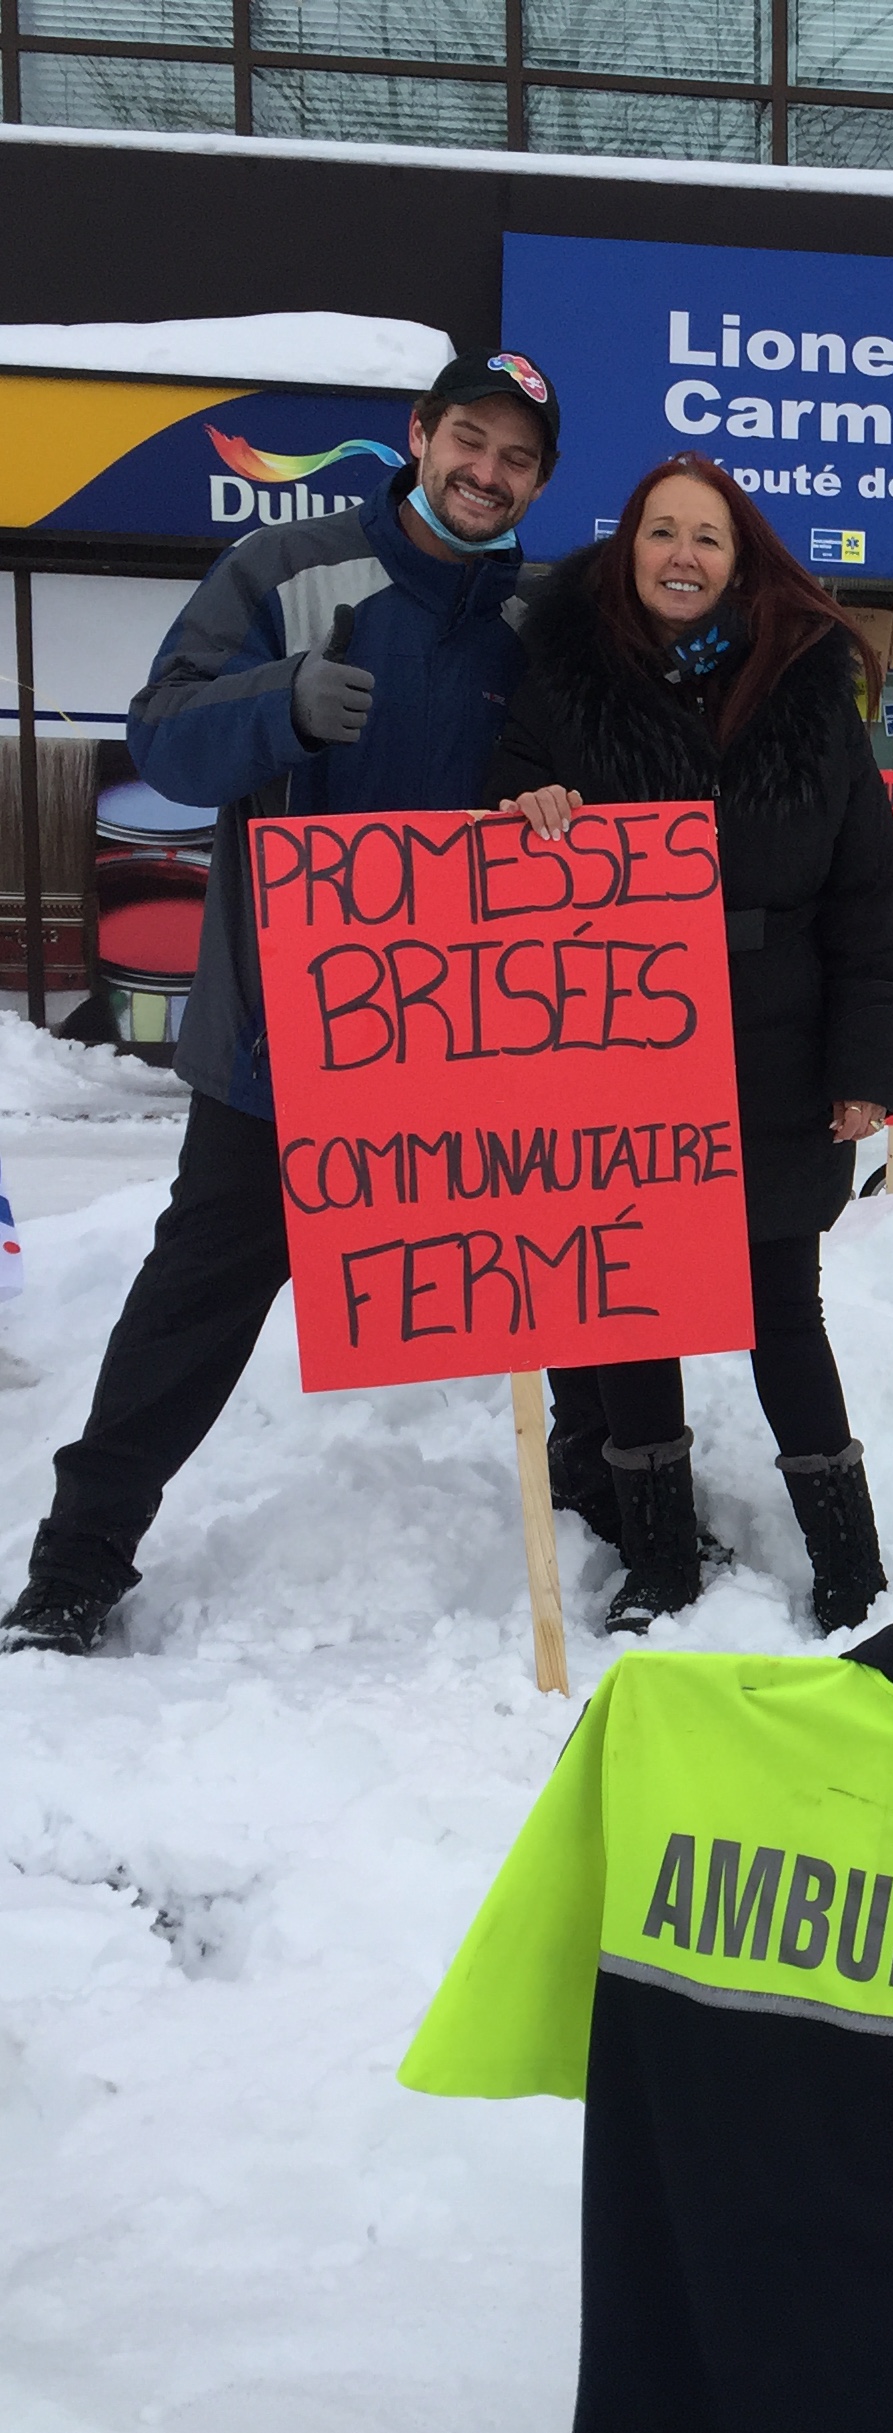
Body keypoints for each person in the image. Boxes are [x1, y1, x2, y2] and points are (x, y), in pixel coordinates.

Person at [2, 351, 563, 1658]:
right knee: (200, 1290)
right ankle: (79, 1565)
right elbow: (164, 733)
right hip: (282, 1037)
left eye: (517, 457)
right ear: (418, 436)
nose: (487, 472)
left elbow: (596, 774)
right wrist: (280, 706)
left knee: (564, 1268)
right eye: (468, 440)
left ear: (540, 479)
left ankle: (613, 1522)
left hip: (470, 1042)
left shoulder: (543, 620)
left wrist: (566, 806)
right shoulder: (291, 572)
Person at [489, 454, 893, 1639]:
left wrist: (863, 1066)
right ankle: (657, 1556)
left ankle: (847, 1554)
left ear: (744, 562)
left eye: (708, 538)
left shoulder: (805, 696)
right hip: (616, 1048)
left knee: (783, 1301)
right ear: (627, 551)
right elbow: (494, 832)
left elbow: (869, 900)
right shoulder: (562, 686)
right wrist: (522, 815)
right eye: (661, 532)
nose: (683, 555)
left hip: (779, 1047)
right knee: (633, 1301)